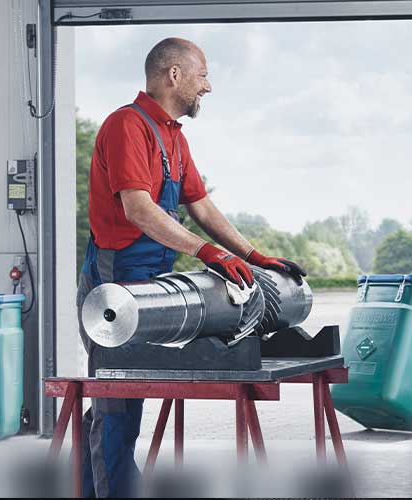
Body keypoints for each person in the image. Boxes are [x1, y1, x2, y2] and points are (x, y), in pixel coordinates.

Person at [76, 37, 306, 497]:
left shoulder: (173, 137)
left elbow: (200, 205)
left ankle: (83, 481)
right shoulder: (128, 126)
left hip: (149, 284)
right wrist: (207, 254)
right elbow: (139, 209)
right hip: (114, 285)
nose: (209, 86)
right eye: (203, 75)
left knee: (121, 401)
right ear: (174, 75)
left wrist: (251, 255)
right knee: (119, 406)